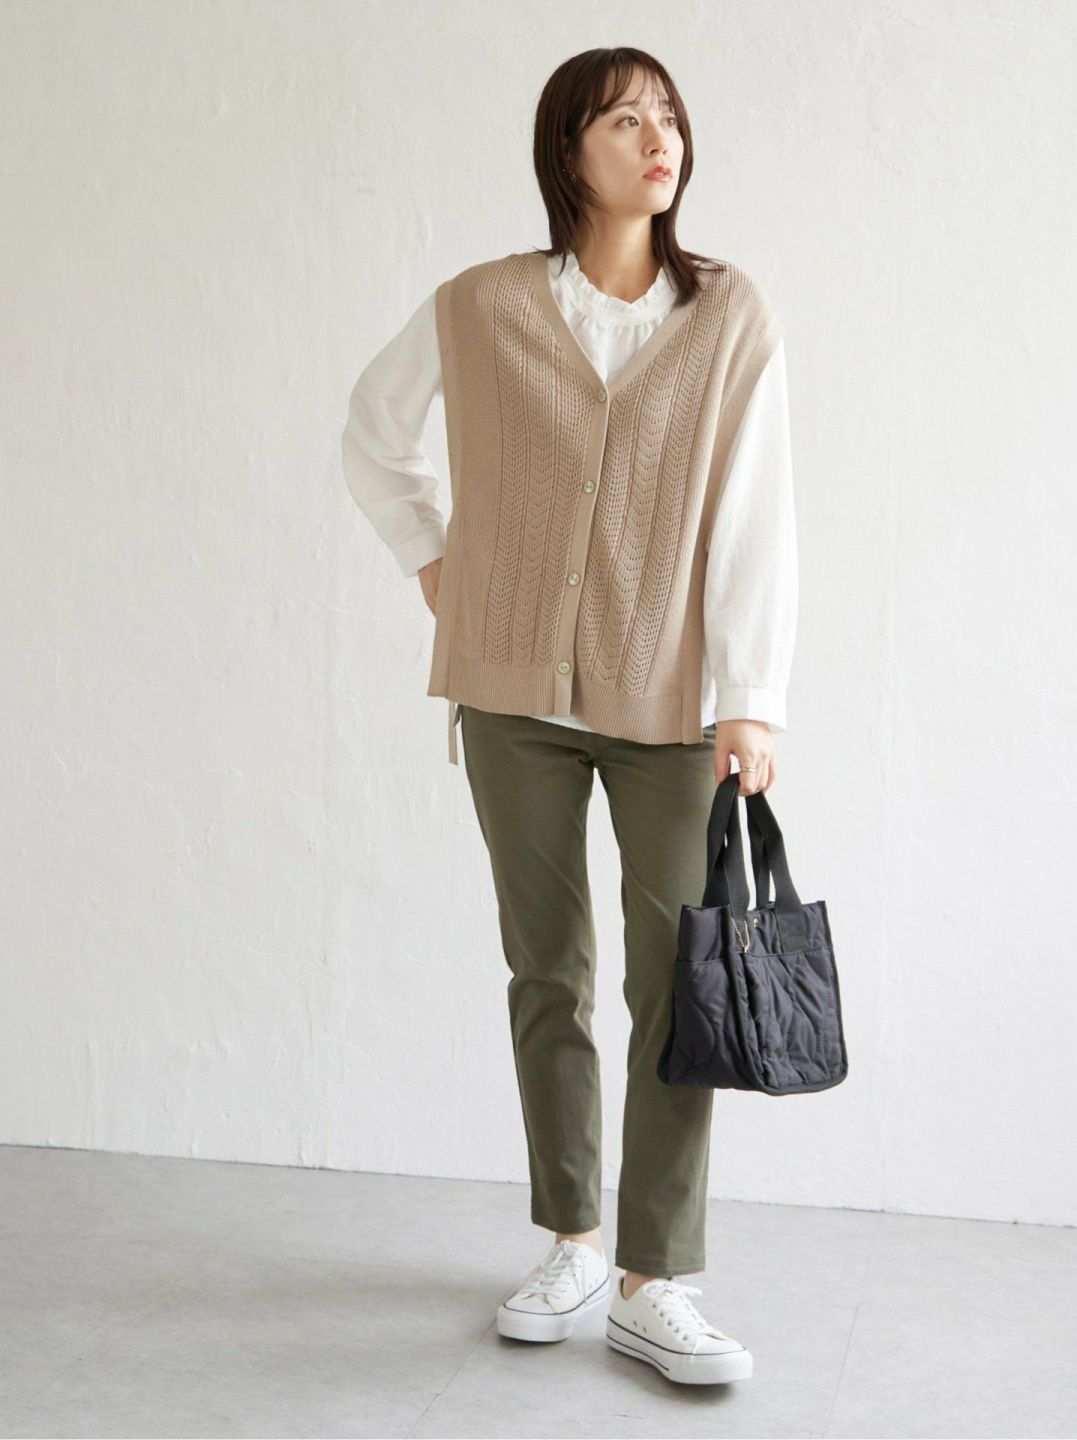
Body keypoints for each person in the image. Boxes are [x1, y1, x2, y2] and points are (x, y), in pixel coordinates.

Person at [340, 47, 797, 1387]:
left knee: (677, 981)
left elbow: (760, 512)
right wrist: (435, 559)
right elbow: (373, 432)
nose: (659, 140)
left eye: (671, 118)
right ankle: (573, 1241)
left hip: (672, 703)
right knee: (548, 970)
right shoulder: (483, 306)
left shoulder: (728, 314)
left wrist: (750, 698)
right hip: (510, 697)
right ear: (567, 151)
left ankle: (658, 1279)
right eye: (624, 118)